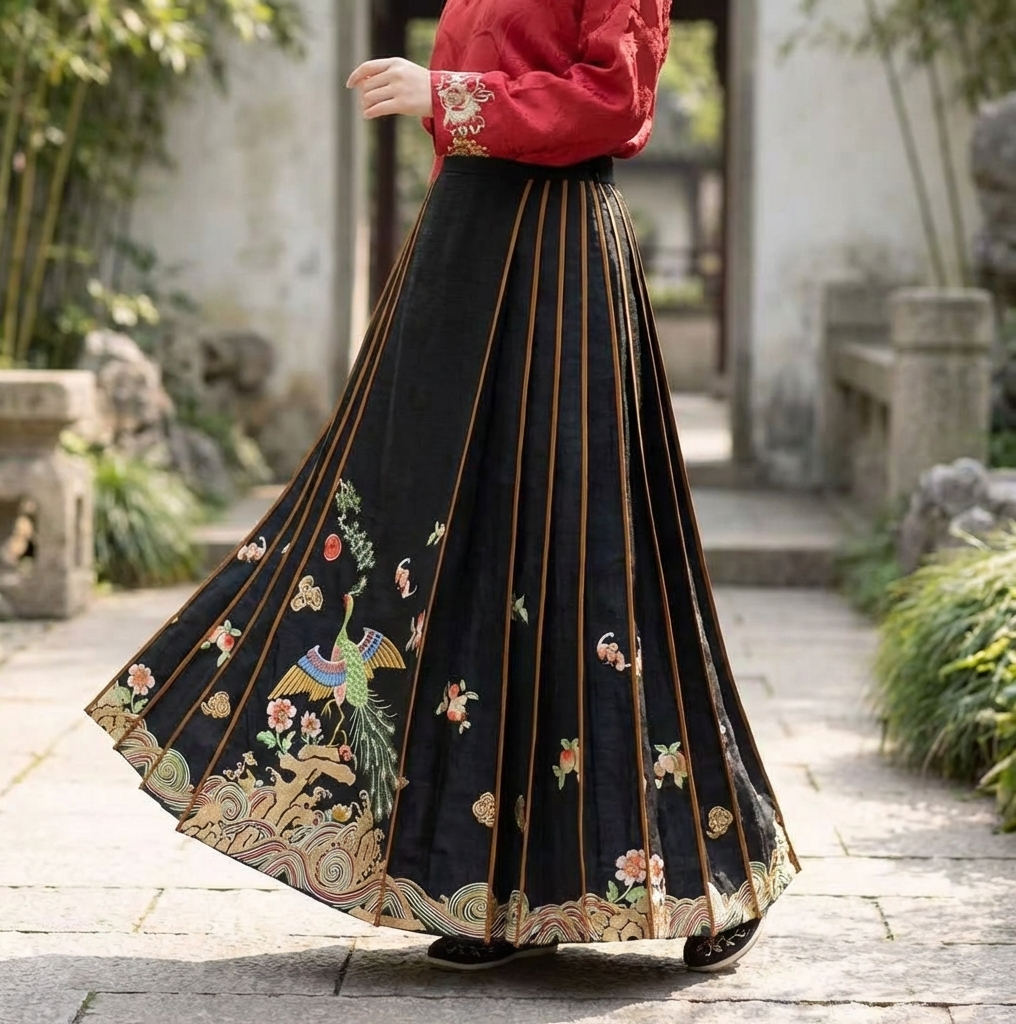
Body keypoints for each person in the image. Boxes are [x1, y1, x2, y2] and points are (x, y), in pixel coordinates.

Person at [86, 0, 799, 974]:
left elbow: (615, 100)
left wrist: (446, 95)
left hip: (553, 271)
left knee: (589, 559)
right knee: (438, 552)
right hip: (461, 268)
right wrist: (445, 117)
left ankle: (712, 865)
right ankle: (483, 884)